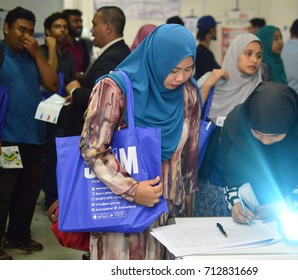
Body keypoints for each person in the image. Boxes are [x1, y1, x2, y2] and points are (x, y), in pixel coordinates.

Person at [79, 24, 201, 260]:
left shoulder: (189, 93)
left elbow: (189, 155)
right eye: (174, 69)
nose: (180, 77)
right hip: (121, 211)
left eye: (188, 69)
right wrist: (133, 190)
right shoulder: (114, 89)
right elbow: (92, 149)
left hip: (168, 212)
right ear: (156, 59)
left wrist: (187, 209)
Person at [0, 6, 59, 260]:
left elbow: (53, 85)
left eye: (30, 31)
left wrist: (38, 54)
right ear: (6, 27)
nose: (26, 35)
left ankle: (18, 235)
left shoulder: (33, 55)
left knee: (28, 192)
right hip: (7, 139)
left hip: (35, 136)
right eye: (21, 30)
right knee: (2, 193)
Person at [221, 82, 298, 223]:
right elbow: (229, 176)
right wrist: (236, 204)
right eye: (258, 134)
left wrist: (288, 205)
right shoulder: (236, 123)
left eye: (275, 136)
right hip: (252, 219)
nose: (265, 141)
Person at [194, 33, 263, 217]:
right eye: (248, 53)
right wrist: (208, 83)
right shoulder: (212, 79)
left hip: (243, 171)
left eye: (258, 56)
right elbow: (190, 112)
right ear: (234, 53)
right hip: (210, 168)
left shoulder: (261, 89)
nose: (254, 60)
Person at [64, 6, 131, 136]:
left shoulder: (113, 56)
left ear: (107, 27)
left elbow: (102, 96)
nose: (91, 30)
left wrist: (74, 91)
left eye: (94, 24)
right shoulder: (118, 50)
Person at [40, 12, 77, 210]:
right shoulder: (39, 52)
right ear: (47, 31)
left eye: (64, 27)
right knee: (46, 157)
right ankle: (49, 199)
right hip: (42, 113)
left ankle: (56, 198)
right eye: (57, 27)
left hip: (63, 113)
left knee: (58, 156)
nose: (62, 30)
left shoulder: (69, 56)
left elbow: (70, 81)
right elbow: (50, 79)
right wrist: (51, 48)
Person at [62, 9, 92, 83]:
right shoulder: (59, 46)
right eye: (76, 21)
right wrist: (73, 75)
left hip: (78, 89)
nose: (80, 25)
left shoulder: (82, 45)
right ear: (66, 24)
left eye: (80, 21)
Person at [194, 15, 221, 80]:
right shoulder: (203, 52)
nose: (216, 31)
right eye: (215, 28)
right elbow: (216, 72)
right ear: (211, 30)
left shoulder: (200, 50)